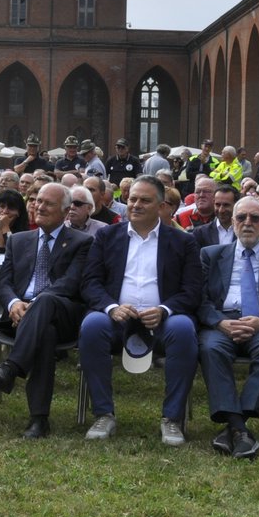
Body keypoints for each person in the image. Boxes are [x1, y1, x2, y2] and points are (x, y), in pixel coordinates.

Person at [78, 175, 204, 443]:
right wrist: (111, 307)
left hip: (162, 319)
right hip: (116, 318)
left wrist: (165, 310)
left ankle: (172, 419)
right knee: (91, 326)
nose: (135, 205)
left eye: (144, 200)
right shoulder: (106, 236)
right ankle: (104, 414)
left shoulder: (183, 242)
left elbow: (193, 290)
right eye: (132, 199)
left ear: (161, 207)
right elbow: (90, 283)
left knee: (183, 328)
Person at [0, 182, 92, 438]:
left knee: (46, 302)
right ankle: (39, 419)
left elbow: (70, 283)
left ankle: (11, 367)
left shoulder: (82, 242)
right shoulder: (18, 241)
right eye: (37, 200)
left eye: (48, 203)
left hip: (63, 313)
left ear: (65, 212)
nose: (39, 206)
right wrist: (13, 304)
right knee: (46, 334)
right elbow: (4, 281)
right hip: (20, 316)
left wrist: (34, 304)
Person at [197, 195, 259, 459]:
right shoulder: (211, 255)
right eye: (241, 217)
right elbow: (199, 299)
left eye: (254, 218)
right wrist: (219, 321)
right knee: (210, 348)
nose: (247, 223)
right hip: (221, 324)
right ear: (233, 222)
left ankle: (234, 425)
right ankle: (240, 429)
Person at [190, 184, 236, 249]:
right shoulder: (200, 233)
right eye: (217, 205)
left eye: (226, 205)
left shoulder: (244, 231)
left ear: (236, 205)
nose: (221, 210)